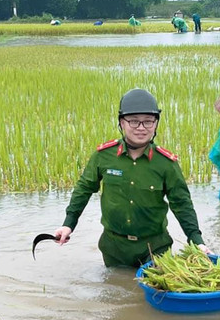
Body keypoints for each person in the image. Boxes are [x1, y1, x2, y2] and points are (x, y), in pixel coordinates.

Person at [53, 88, 208, 267]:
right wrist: (68, 224)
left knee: (153, 293)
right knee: (114, 290)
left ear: (156, 124)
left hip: (155, 248)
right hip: (114, 248)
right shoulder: (104, 156)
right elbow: (84, 189)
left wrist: (197, 241)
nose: (141, 128)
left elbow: (182, 204)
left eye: (148, 122)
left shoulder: (166, 163)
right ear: (122, 122)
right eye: (134, 121)